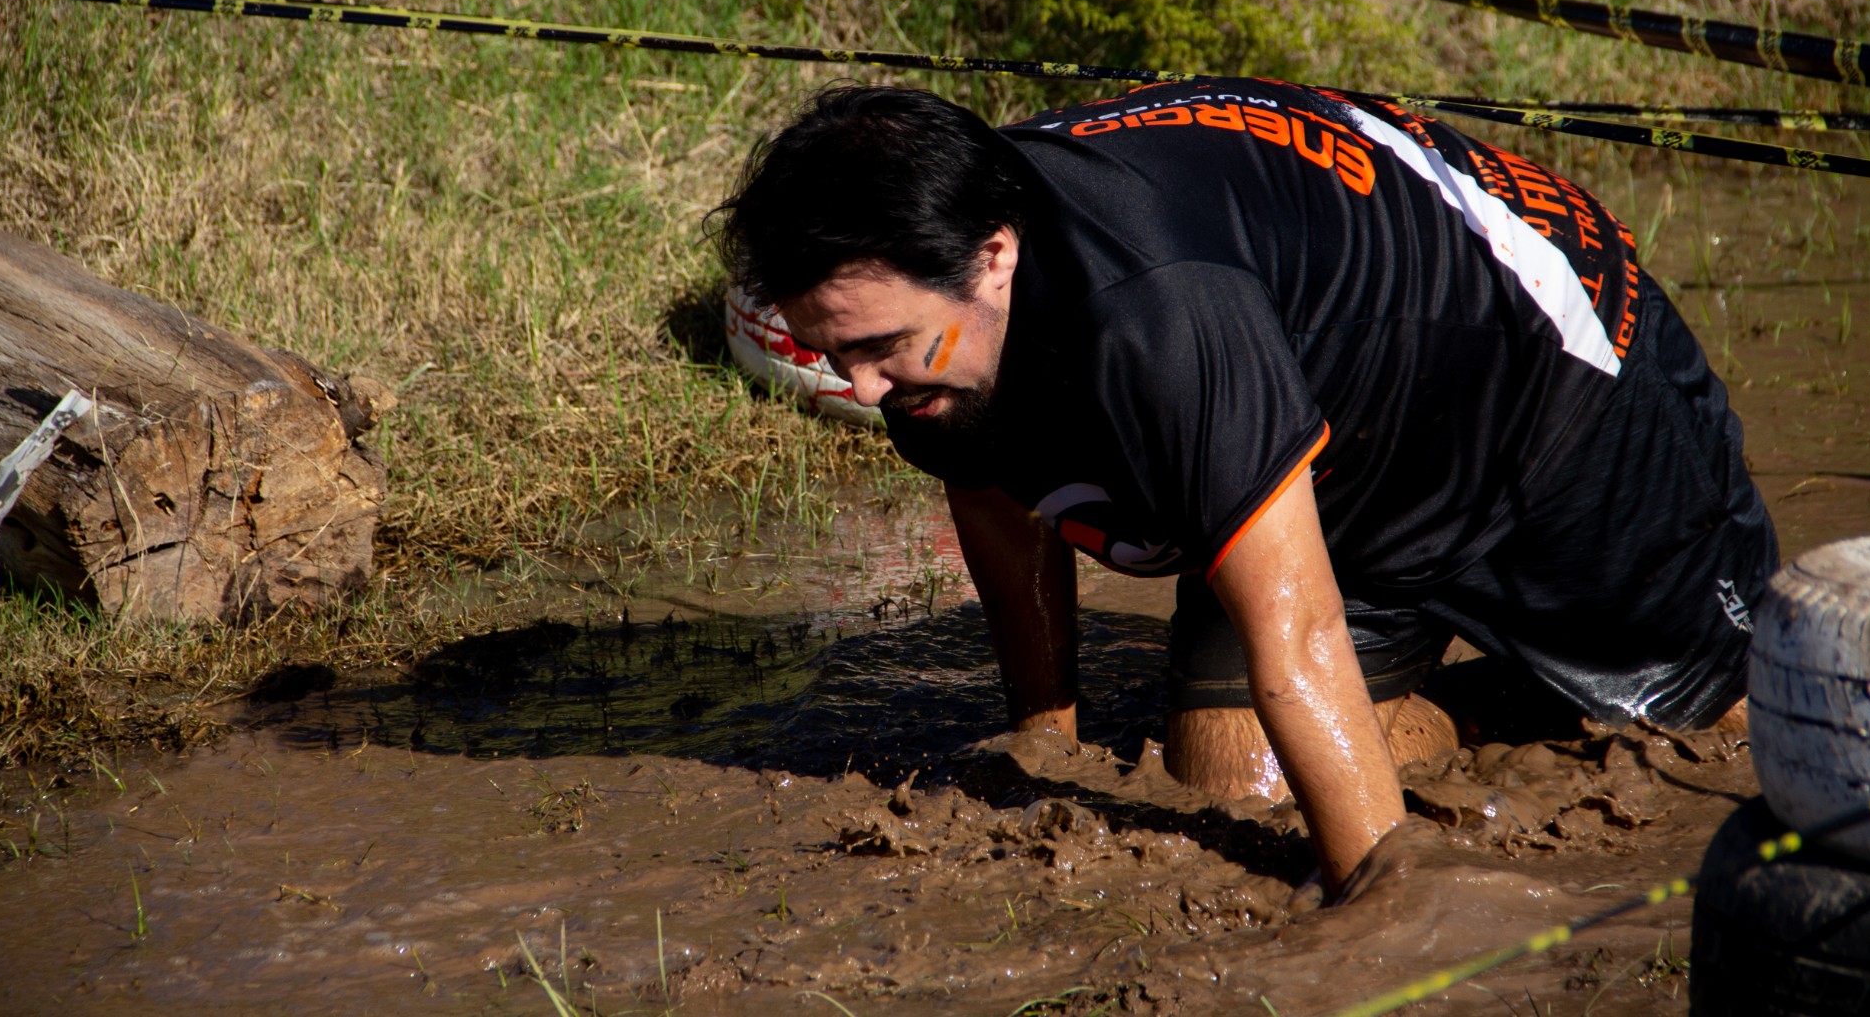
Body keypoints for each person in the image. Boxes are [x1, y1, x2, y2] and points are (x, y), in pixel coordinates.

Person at [707, 77, 1777, 892]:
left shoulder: (1159, 313)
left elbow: (1298, 643)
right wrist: (1044, 738)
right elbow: (988, 488)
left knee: (1712, 728)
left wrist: (1389, 911)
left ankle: (1605, 678)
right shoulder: (942, 340)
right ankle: (1475, 702)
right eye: (828, 353)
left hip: (1546, 380)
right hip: (1342, 438)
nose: (855, 386)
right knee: (1232, 780)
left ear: (994, 258)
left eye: (882, 348)